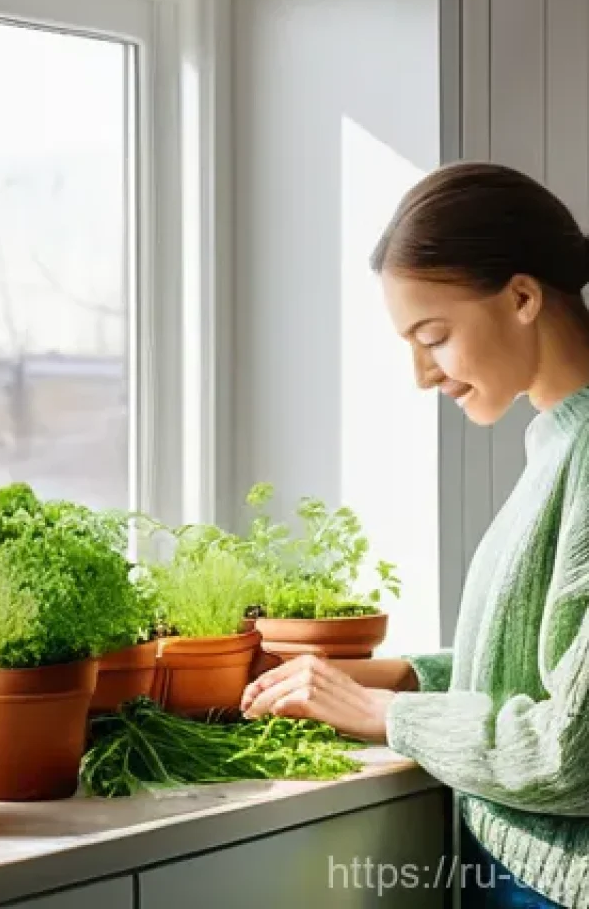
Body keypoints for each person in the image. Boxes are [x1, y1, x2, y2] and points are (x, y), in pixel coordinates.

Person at [240, 162, 589, 909]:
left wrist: (387, 716)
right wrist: (403, 676)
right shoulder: (558, 442)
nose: (420, 374)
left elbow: (576, 748)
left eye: (433, 335)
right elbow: (551, 665)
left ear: (523, 297)